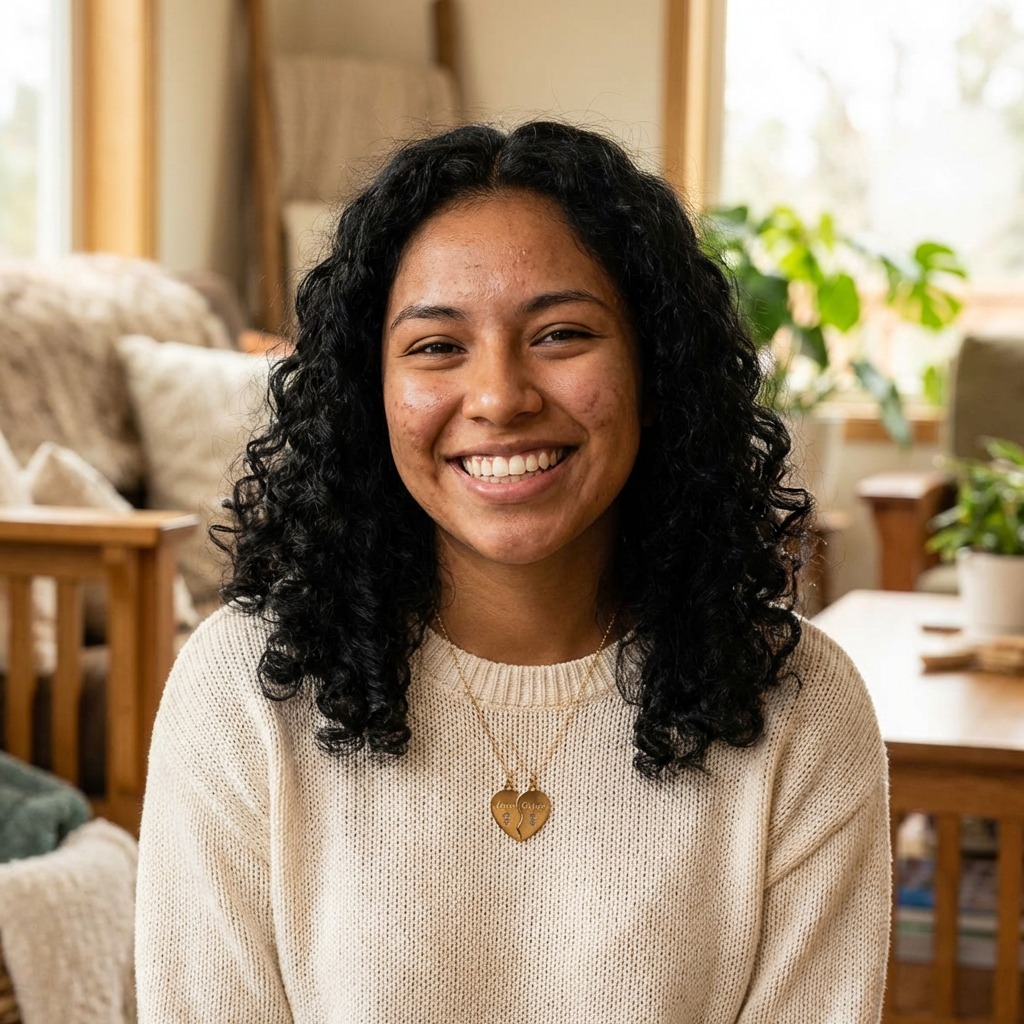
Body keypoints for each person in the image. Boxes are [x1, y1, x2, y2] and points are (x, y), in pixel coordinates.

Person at [135, 122, 890, 1023]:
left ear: (658, 367)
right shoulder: (243, 691)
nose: (499, 398)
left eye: (561, 334)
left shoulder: (802, 705)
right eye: (435, 346)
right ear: (367, 392)